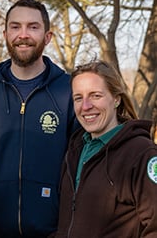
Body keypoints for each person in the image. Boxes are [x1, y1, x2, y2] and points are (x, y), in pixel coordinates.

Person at [0, 0, 79, 238]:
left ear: (47, 37)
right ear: (5, 33)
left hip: (54, 229)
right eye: (16, 27)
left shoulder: (68, 90)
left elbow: (82, 159)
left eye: (33, 27)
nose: (23, 34)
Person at [52, 60, 157, 238]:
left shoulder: (141, 153)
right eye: (79, 98)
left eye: (95, 96)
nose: (85, 107)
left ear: (116, 99)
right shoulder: (74, 152)